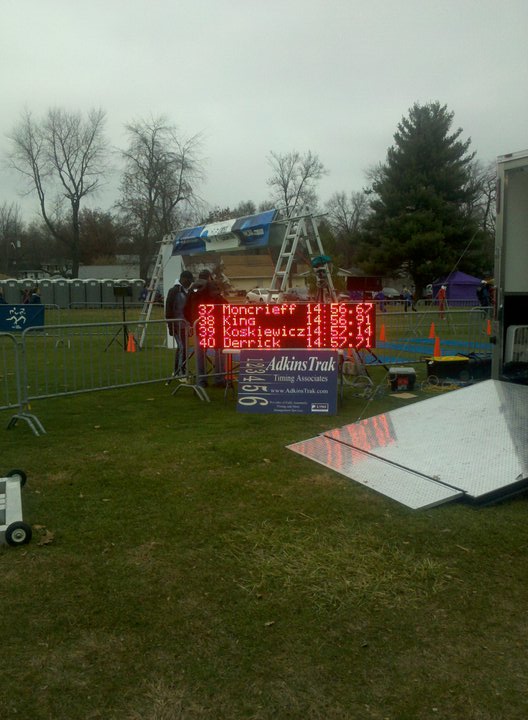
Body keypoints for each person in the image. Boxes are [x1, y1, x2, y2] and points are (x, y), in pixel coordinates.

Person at [185, 269, 226, 387]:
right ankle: (219, 379)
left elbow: (186, 308)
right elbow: (222, 304)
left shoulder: (192, 290)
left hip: (199, 326)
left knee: (200, 354)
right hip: (214, 325)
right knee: (220, 352)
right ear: (209, 277)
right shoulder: (212, 286)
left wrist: (193, 322)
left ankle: (201, 381)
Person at [165, 270, 194, 376]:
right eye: (189, 281)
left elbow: (188, 310)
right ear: (183, 279)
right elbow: (168, 310)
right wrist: (170, 326)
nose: (190, 283)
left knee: (184, 348)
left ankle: (181, 370)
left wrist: (190, 324)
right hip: (176, 324)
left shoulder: (187, 291)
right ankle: (179, 372)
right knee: (182, 347)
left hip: (184, 325)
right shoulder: (173, 291)